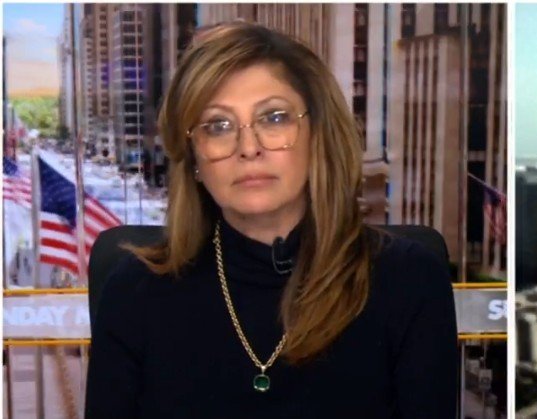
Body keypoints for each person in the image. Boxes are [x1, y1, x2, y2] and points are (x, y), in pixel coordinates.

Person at [85, 22, 458, 418]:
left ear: (318, 135)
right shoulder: (133, 293)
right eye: (218, 126)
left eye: (274, 118)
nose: (249, 148)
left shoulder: (410, 281)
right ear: (193, 157)